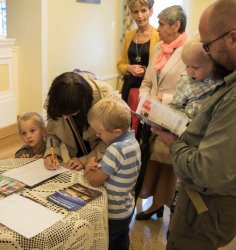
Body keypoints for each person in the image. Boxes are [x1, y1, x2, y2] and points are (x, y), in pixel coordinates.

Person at [152, 0, 236, 249]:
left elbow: (205, 171)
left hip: (206, 212)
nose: (207, 52)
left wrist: (175, 144)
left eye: (208, 45)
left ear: (232, 37)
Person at [135, 5, 187, 220]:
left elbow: (191, 91)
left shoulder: (190, 50)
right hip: (152, 115)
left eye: (162, 24)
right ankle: (155, 204)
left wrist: (162, 100)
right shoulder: (158, 48)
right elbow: (147, 82)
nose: (158, 27)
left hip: (173, 118)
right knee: (152, 162)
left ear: (176, 26)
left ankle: (169, 212)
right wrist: (145, 99)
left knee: (169, 167)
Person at [84, 96, 141, 250]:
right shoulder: (133, 142)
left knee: (107, 243)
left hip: (113, 213)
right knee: (122, 240)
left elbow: (95, 181)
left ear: (116, 132)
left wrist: (88, 166)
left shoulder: (115, 149)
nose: (97, 136)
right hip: (126, 208)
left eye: (100, 133)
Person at [43, 70, 113, 170]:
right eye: (61, 113)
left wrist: (85, 160)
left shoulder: (106, 100)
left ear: (84, 104)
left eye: (71, 113)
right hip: (76, 162)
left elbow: (111, 139)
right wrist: (51, 153)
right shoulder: (56, 98)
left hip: (102, 163)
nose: (65, 118)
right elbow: (52, 133)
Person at [117, 0, 159, 139]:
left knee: (143, 129)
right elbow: (120, 64)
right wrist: (129, 67)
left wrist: (147, 71)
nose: (140, 15)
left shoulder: (158, 36)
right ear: (131, 14)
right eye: (135, 12)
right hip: (128, 89)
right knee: (126, 124)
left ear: (151, 11)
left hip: (147, 90)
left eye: (143, 10)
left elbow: (163, 68)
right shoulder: (129, 36)